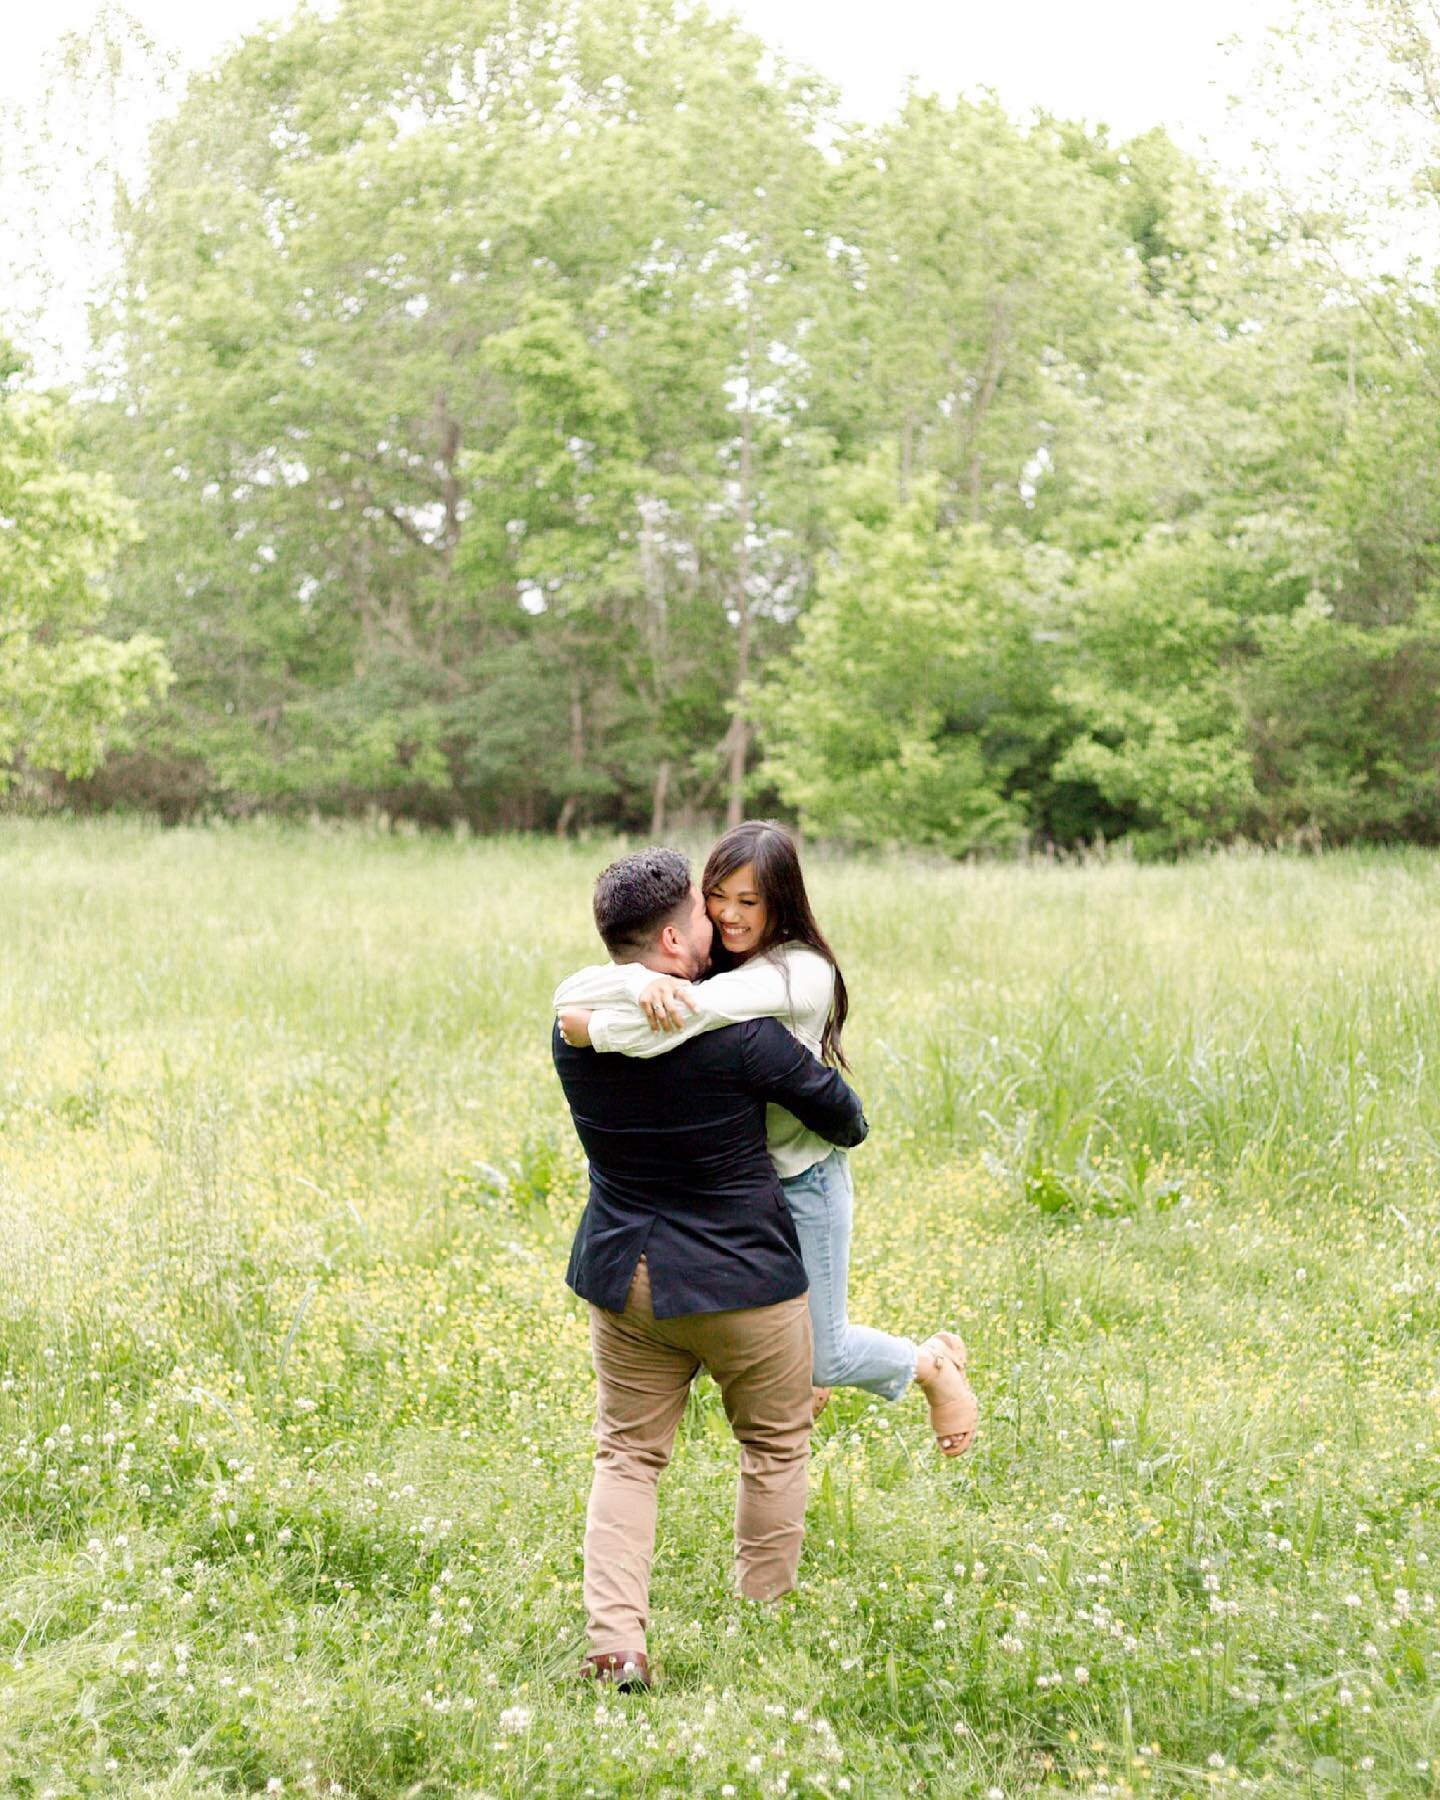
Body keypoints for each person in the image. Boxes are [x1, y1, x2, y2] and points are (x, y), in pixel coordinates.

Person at [555, 819, 977, 1457]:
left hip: (804, 1178)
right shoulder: (715, 959)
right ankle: (804, 1373)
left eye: (747, 902)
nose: (726, 915)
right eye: (716, 896)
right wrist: (638, 983)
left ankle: (932, 1366)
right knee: (770, 1345)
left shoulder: (798, 974)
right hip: (741, 1188)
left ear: (781, 902)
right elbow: (573, 987)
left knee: (825, 1354)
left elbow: (685, 1018)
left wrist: (593, 1027)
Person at [552, 846, 870, 1691]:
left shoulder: (575, 1032)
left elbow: (585, 1001)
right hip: (743, 1284)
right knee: (773, 1444)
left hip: (626, 1277)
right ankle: (763, 1620)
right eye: (703, 912)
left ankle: (616, 1643)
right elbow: (847, 1121)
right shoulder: (747, 1039)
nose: (718, 926)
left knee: (626, 1457)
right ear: (670, 938)